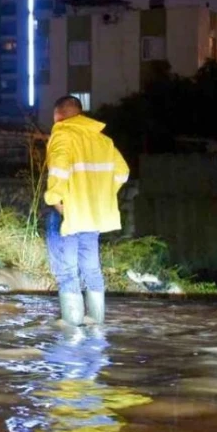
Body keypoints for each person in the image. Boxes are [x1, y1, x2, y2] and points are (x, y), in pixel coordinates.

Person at [44, 95, 129, 326]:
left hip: (68, 214)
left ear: (58, 115)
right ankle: (96, 322)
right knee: (92, 269)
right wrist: (100, 196)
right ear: (80, 114)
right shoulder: (103, 140)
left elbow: (59, 171)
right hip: (92, 215)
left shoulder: (62, 133)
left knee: (66, 270)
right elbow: (123, 172)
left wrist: (54, 200)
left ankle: (71, 326)